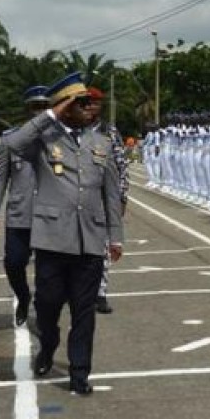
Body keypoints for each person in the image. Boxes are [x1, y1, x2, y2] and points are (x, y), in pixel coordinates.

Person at [3, 72, 124, 396]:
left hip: (89, 239)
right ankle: (49, 343)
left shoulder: (102, 142)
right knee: (48, 304)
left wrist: (116, 236)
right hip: (52, 239)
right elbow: (12, 143)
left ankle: (79, 372)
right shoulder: (44, 140)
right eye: (80, 102)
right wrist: (51, 114)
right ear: (64, 106)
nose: (88, 108)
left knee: (84, 311)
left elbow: (111, 193)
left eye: (89, 102)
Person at [0, 85, 50, 327]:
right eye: (35, 107)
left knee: (48, 275)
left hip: (50, 218)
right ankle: (23, 297)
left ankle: (45, 320)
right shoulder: (10, 139)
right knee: (13, 263)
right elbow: (0, 176)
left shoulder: (58, 138)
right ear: (27, 109)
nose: (39, 112)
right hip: (20, 215)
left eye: (44, 106)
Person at [83, 86, 127, 315]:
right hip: (79, 196)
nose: (90, 107)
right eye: (86, 102)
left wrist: (122, 196)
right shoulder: (73, 130)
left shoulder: (109, 131)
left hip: (102, 197)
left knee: (103, 248)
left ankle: (100, 292)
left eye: (94, 103)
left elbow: (121, 164)